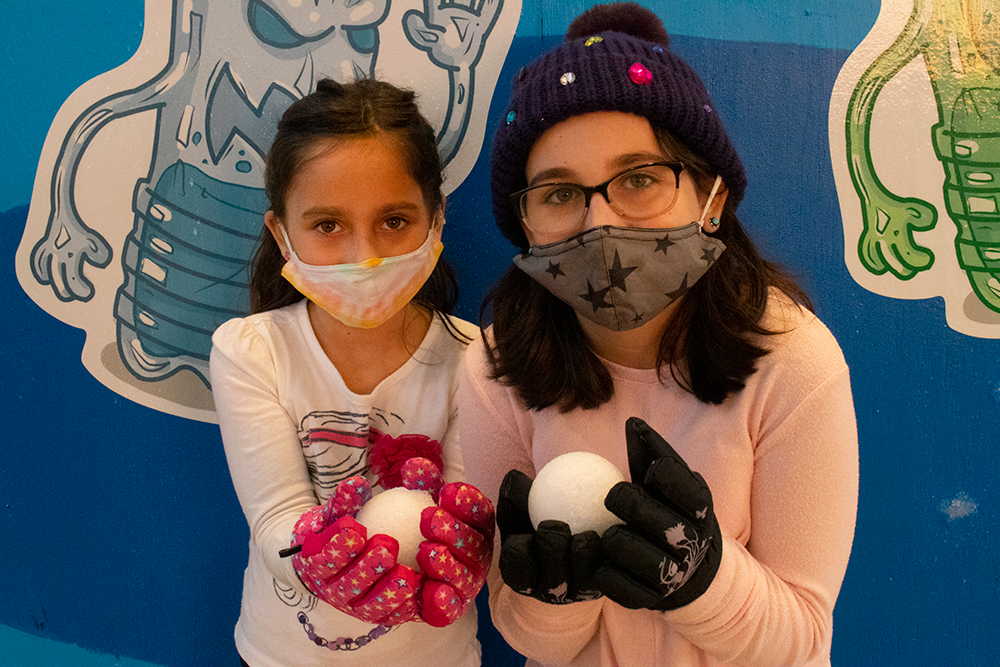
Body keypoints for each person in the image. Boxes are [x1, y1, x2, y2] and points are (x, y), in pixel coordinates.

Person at [459, 3, 858, 666]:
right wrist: (553, 597)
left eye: (640, 178)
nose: (599, 220)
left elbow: (802, 639)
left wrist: (702, 581)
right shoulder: (495, 368)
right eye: (558, 193)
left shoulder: (794, 362)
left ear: (713, 198)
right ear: (523, 222)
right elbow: (527, 635)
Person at [210, 78, 493, 667]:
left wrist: (473, 554)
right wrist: (316, 559)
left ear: (437, 220)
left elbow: (466, 506)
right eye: (328, 226)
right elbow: (275, 516)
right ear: (281, 235)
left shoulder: (477, 358)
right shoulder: (253, 351)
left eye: (394, 221)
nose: (364, 255)